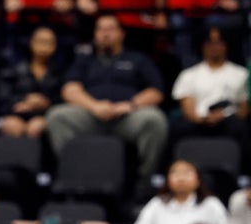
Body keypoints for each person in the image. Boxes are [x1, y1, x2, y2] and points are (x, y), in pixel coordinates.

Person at [44, 14, 169, 184]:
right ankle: (73, 175)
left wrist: (129, 105)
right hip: (91, 116)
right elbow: (69, 89)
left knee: (155, 119)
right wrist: (93, 106)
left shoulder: (138, 59)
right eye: (101, 29)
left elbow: (156, 91)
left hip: (126, 118)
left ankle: (145, 180)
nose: (105, 34)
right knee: (57, 116)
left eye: (110, 29)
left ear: (122, 34)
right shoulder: (85, 60)